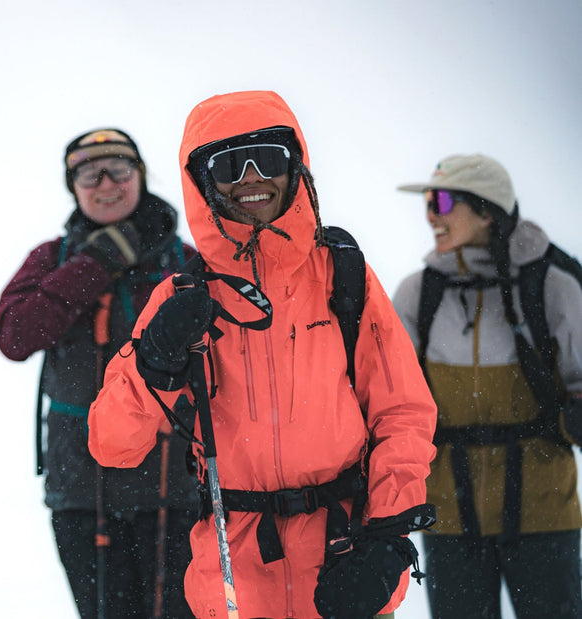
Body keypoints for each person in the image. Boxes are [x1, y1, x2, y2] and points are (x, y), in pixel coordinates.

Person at [87, 91, 438, 619]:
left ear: (294, 166)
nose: (252, 177)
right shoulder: (184, 296)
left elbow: (402, 413)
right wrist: (152, 364)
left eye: (268, 158)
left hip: (344, 558)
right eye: (229, 165)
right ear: (203, 182)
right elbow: (113, 445)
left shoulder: (344, 275)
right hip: (235, 581)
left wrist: (389, 534)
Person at [0, 128, 199, 618]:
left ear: (142, 176)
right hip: (82, 492)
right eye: (89, 173)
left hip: (176, 487)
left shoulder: (186, 261)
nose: (106, 183)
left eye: (120, 170)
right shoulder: (54, 259)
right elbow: (14, 336)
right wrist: (98, 262)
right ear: (73, 186)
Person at [392, 154, 582, 618]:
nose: (430, 214)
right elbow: (393, 398)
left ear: (487, 210)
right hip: (449, 515)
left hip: (543, 510)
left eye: (440, 200)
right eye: (427, 202)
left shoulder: (551, 284)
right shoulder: (418, 293)